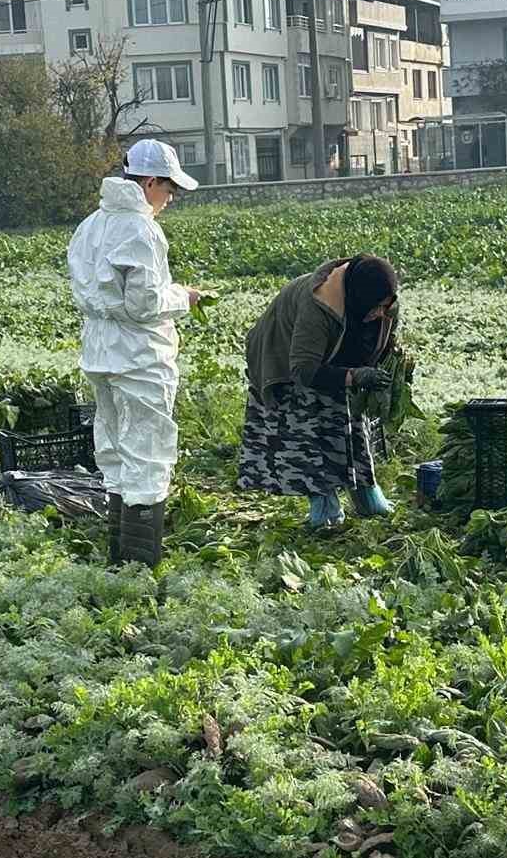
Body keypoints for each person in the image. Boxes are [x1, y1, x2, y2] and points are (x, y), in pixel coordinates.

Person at [68, 139, 200, 569]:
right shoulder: (141, 228)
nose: (170, 198)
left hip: (99, 351)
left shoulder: (90, 225)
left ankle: (117, 560)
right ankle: (140, 570)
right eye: (169, 189)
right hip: (139, 356)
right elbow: (144, 304)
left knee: (114, 451)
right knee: (148, 454)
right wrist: (185, 296)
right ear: (149, 182)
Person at [238, 255, 400, 528]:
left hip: (329, 357)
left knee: (351, 426)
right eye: (377, 307)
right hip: (287, 360)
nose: (381, 313)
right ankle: (325, 511)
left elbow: (385, 335)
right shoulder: (318, 305)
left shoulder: (384, 300)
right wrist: (354, 375)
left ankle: (367, 498)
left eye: (387, 306)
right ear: (359, 298)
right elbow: (304, 370)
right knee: (310, 434)